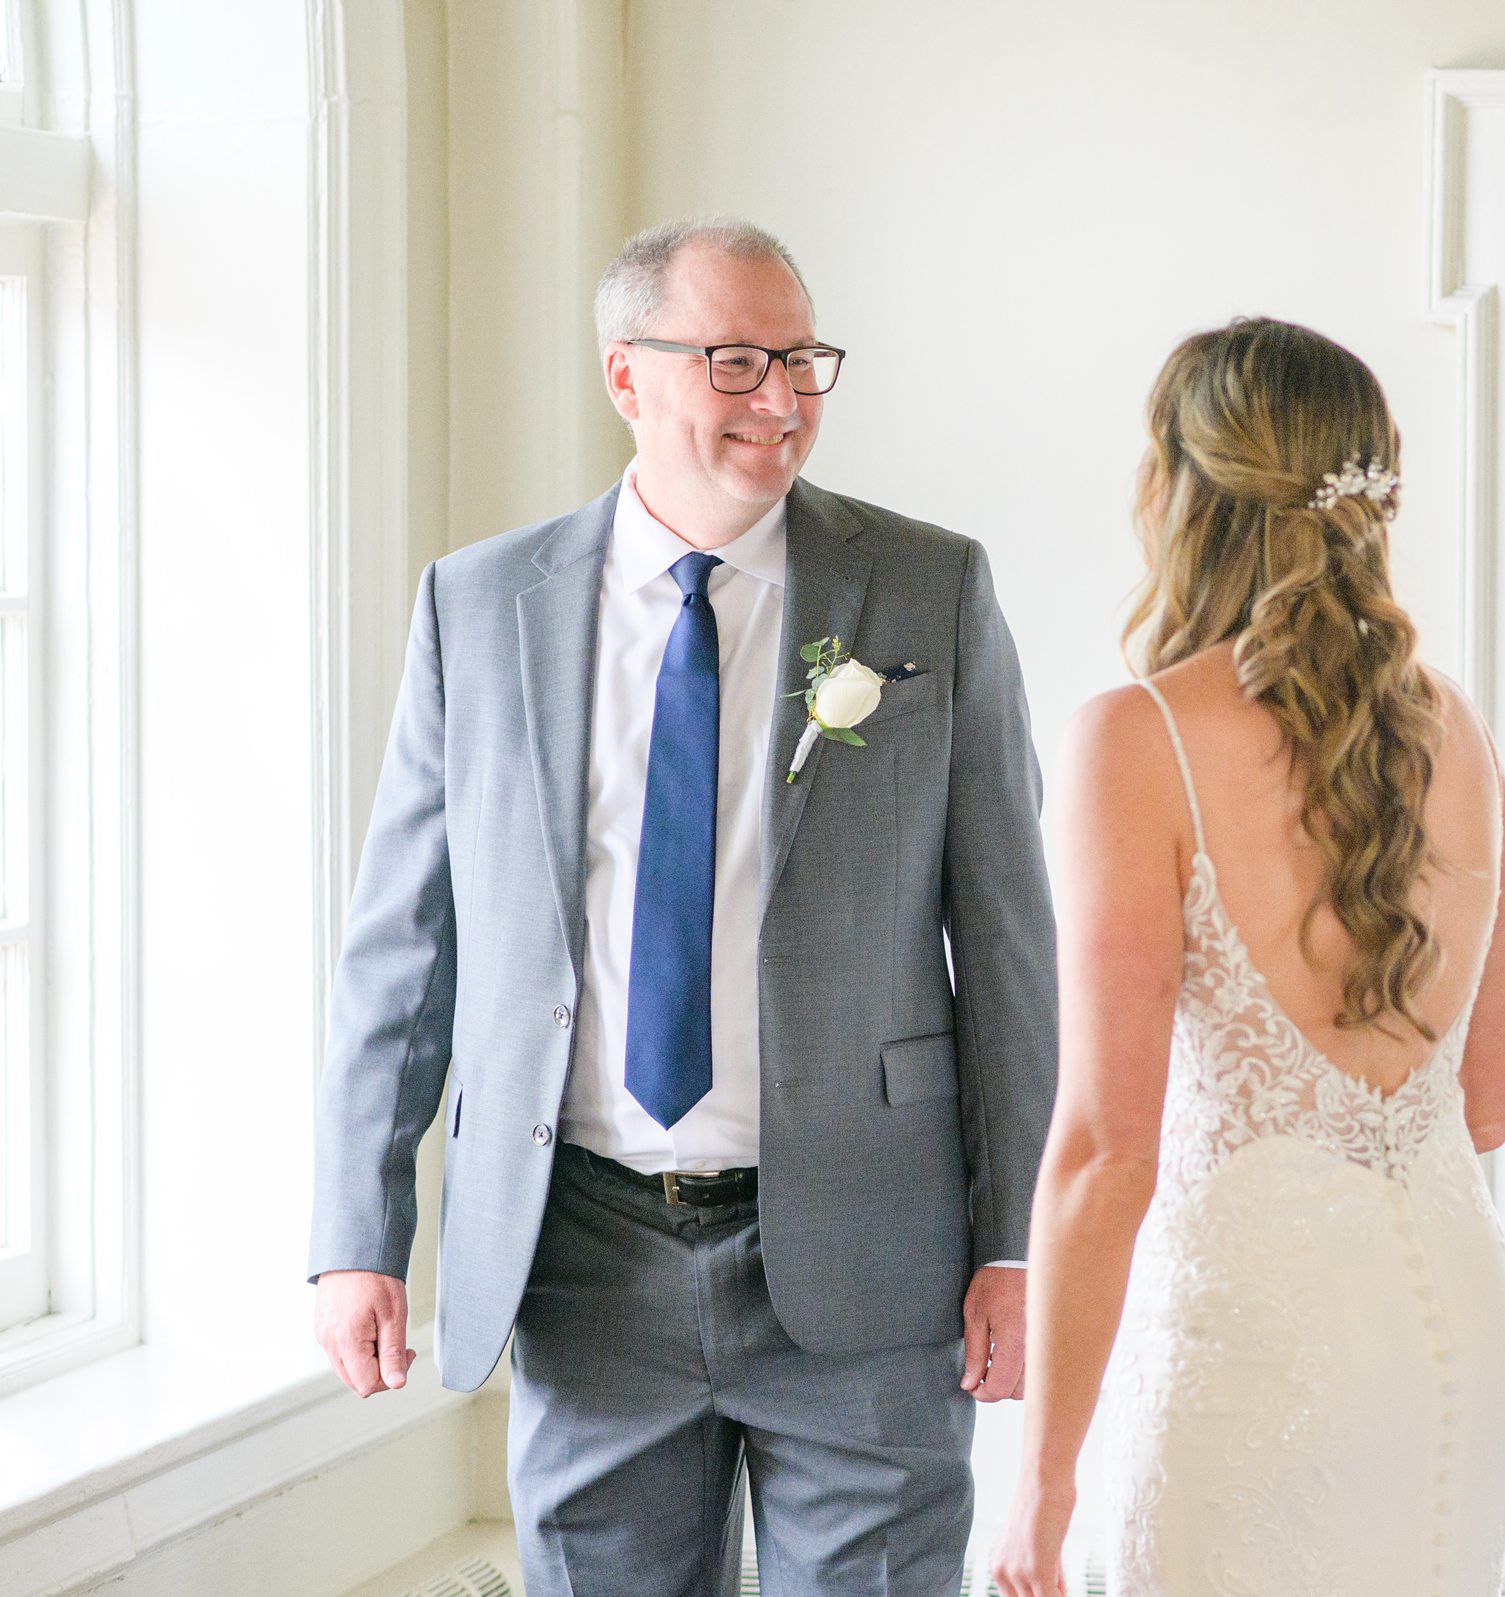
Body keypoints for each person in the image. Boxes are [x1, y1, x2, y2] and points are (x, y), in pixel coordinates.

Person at [307, 216, 1057, 1597]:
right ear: (626, 377)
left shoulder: (927, 590)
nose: (782, 399)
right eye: (735, 360)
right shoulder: (476, 609)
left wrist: (1013, 1236)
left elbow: (1007, 943)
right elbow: (404, 947)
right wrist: (359, 1231)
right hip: (582, 1252)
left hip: (863, 1249)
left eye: (802, 359)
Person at [992, 317, 1505, 1595]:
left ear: (1180, 488)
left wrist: (1039, 1482)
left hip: (1255, 1362)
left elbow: (1103, 1152)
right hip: (1458, 1357)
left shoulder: (1136, 740)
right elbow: (1489, 1106)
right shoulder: (1457, 729)